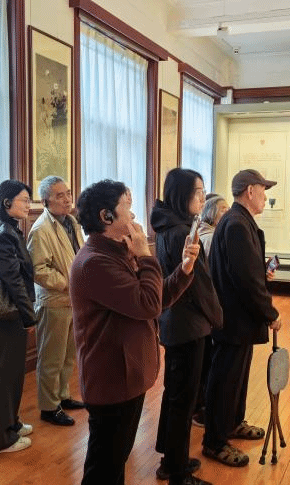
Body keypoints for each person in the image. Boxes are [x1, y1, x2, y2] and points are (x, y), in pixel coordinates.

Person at [70, 179, 199, 485]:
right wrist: (146, 256)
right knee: (104, 469)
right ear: (106, 216)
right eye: (127, 208)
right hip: (111, 380)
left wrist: (184, 270)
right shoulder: (94, 262)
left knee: (115, 463)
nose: (133, 217)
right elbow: (148, 304)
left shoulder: (115, 253)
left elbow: (154, 300)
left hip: (126, 377)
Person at [203, 169, 282, 467]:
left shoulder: (239, 221)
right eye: (263, 190)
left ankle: (233, 423)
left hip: (238, 319)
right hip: (233, 320)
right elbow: (246, 281)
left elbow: (244, 270)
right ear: (250, 191)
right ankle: (214, 441)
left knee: (236, 377)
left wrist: (261, 271)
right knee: (225, 380)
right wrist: (270, 313)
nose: (265, 196)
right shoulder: (236, 223)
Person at [150, 168, 222, 485]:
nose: (202, 197)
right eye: (198, 191)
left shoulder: (170, 225)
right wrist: (217, 317)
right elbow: (199, 285)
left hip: (176, 322)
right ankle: (177, 472)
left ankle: (171, 459)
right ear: (182, 195)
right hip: (188, 324)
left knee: (175, 395)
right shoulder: (181, 231)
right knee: (184, 399)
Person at [0, 180, 37, 454]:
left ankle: (10, 424)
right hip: (7, 315)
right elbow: (13, 281)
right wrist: (29, 317)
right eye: (24, 200)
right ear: (7, 203)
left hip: (10, 314)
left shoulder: (6, 230)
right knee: (3, 376)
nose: (29, 205)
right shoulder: (4, 234)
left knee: (12, 374)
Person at [27, 176, 85, 427]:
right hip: (54, 302)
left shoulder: (72, 222)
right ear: (45, 201)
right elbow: (38, 270)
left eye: (68, 193)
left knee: (68, 356)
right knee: (51, 358)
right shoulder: (40, 229)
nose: (67, 199)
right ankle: (49, 407)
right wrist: (67, 282)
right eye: (60, 195)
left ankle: (62, 395)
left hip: (74, 300)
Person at [191, 194, 229, 428]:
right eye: (223, 209)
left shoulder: (208, 234)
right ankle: (200, 409)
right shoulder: (210, 237)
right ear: (212, 213)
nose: (227, 213)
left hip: (207, 309)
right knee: (207, 362)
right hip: (208, 308)